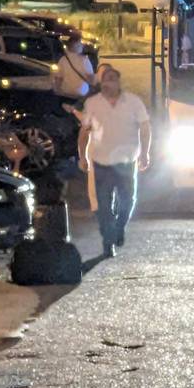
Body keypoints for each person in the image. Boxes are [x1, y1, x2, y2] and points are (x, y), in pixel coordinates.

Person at [77, 66, 151, 257]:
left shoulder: (134, 102)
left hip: (126, 161)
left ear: (118, 82)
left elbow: (145, 128)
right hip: (101, 161)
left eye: (111, 79)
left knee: (127, 201)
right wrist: (82, 155)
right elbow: (84, 132)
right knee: (103, 206)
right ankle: (108, 242)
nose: (108, 83)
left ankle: (119, 227)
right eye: (105, 79)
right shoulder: (92, 103)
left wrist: (145, 153)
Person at [55, 32, 95, 101]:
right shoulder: (84, 60)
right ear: (78, 46)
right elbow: (91, 78)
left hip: (66, 93)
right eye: (81, 44)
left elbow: (58, 78)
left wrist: (57, 90)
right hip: (81, 94)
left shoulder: (63, 60)